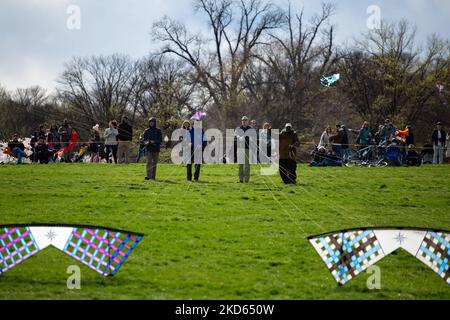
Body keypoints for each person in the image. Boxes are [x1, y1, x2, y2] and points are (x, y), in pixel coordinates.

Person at [235, 116, 255, 183]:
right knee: (240, 165)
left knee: (247, 165)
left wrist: (250, 138)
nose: (244, 121)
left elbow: (254, 137)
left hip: (248, 149)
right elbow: (236, 135)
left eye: (245, 120)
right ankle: (241, 179)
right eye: (243, 120)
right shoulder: (238, 128)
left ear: (247, 121)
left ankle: (246, 180)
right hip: (240, 148)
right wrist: (239, 137)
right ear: (241, 121)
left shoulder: (251, 129)